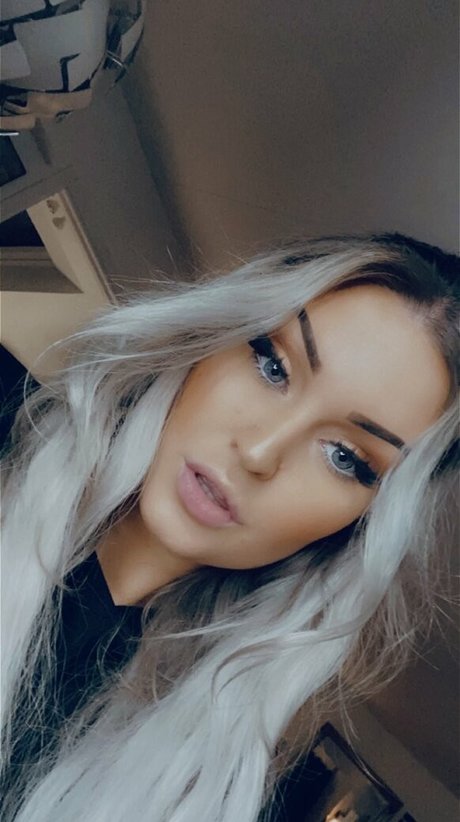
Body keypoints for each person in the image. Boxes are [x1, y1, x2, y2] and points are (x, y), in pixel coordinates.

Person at [1, 232, 458, 822]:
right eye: (272, 366)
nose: (261, 452)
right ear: (211, 338)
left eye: (346, 457)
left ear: (363, 525)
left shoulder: (204, 788)